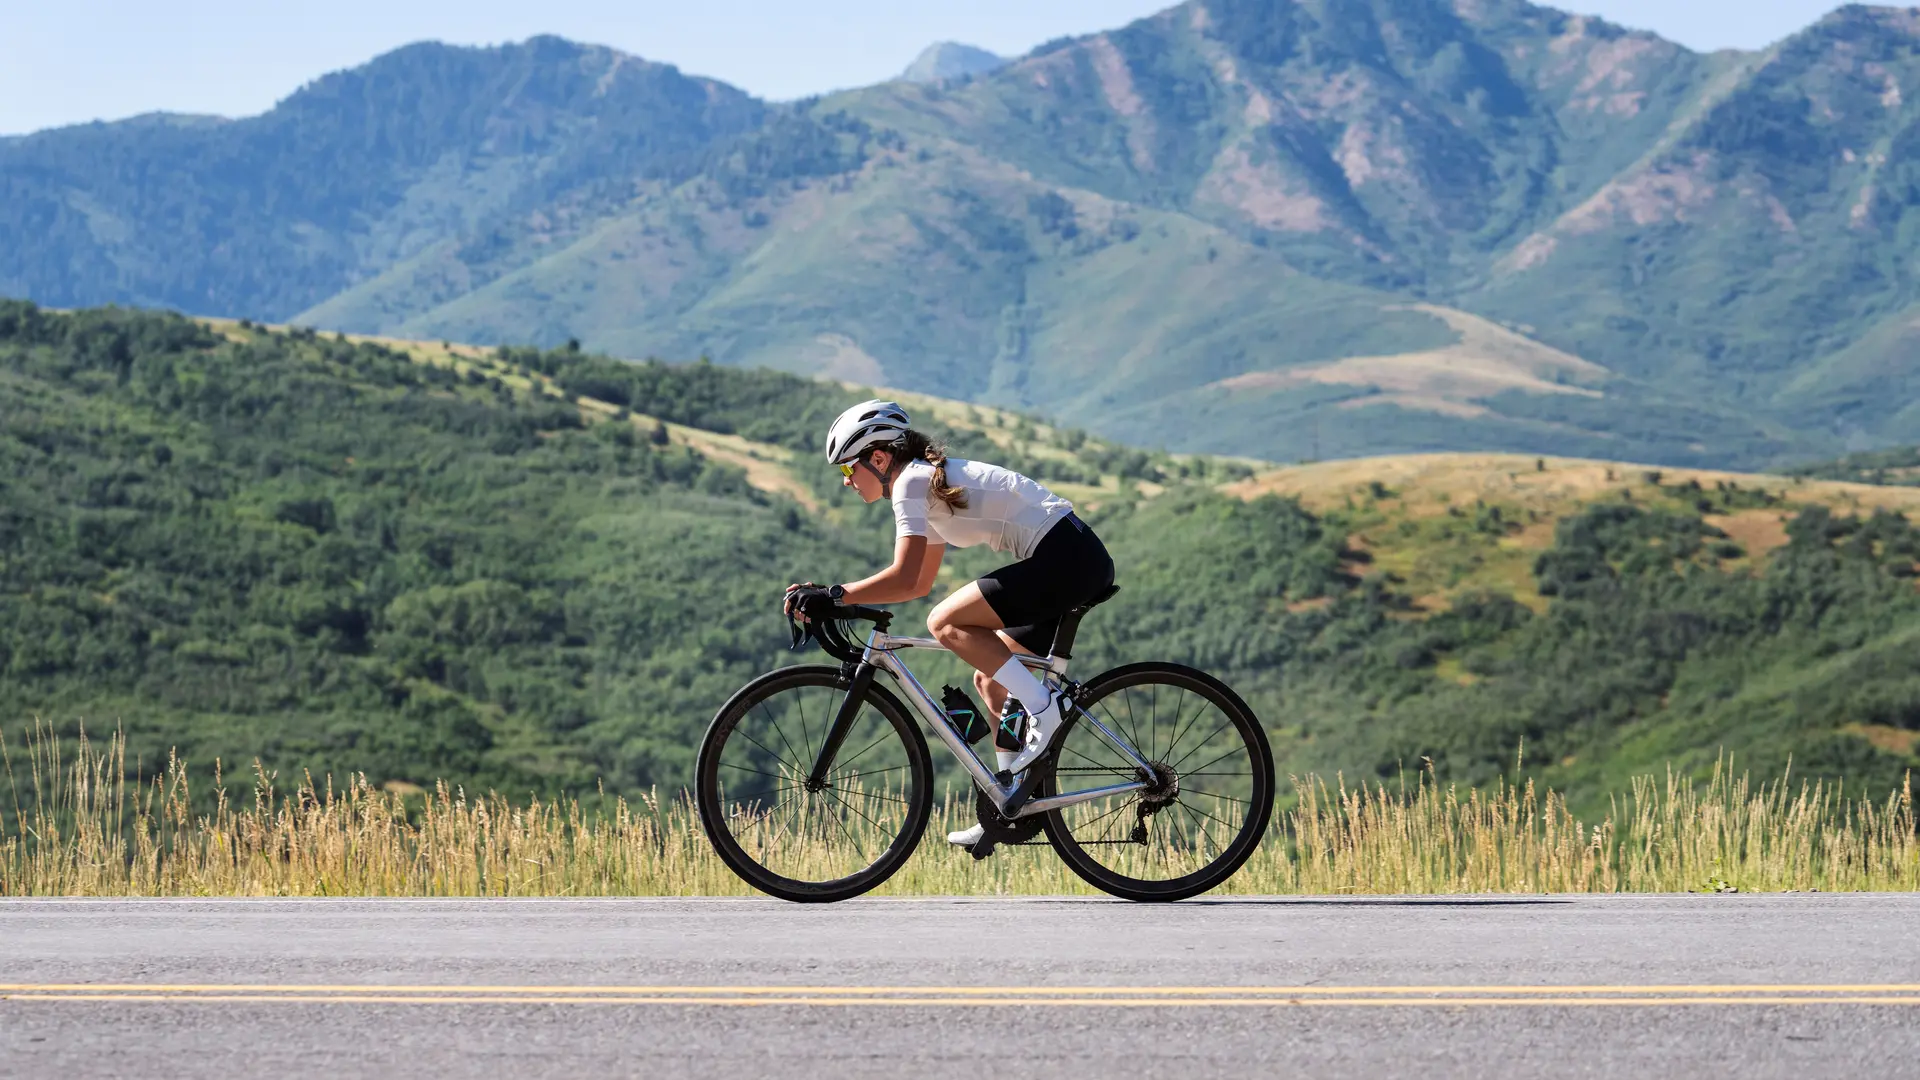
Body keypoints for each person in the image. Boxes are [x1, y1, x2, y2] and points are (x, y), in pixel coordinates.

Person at [783, 400, 1117, 850]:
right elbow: (916, 582)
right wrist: (836, 594)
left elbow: (904, 578)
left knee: (945, 622)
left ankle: (1045, 706)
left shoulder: (911, 483)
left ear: (878, 459)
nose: (847, 483)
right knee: (991, 680)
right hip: (1071, 559)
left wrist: (834, 594)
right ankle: (1008, 800)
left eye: (848, 471)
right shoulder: (925, 484)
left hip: (1066, 559)